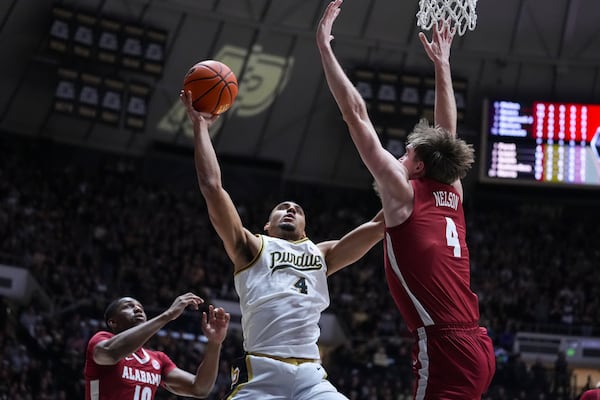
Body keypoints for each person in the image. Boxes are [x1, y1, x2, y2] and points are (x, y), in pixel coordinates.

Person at [317, 1, 495, 399]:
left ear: (416, 169)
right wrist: (442, 64)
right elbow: (447, 132)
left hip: (445, 345)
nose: (399, 156)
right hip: (475, 341)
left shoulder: (403, 195)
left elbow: (356, 115)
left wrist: (325, 49)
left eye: (405, 153)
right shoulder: (452, 190)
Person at [179, 90, 384, 399]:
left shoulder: (322, 252)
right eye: (283, 207)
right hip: (261, 371)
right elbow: (212, 187)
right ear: (266, 224)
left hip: (312, 376)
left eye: (297, 210)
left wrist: (412, 180)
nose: (290, 210)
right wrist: (200, 126)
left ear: (305, 228)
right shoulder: (251, 246)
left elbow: (380, 225)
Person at [84, 292, 230, 399]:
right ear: (113, 322)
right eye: (128, 306)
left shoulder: (157, 359)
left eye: (139, 306)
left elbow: (199, 388)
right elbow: (111, 354)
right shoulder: (101, 340)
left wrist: (215, 343)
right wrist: (168, 315)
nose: (137, 309)